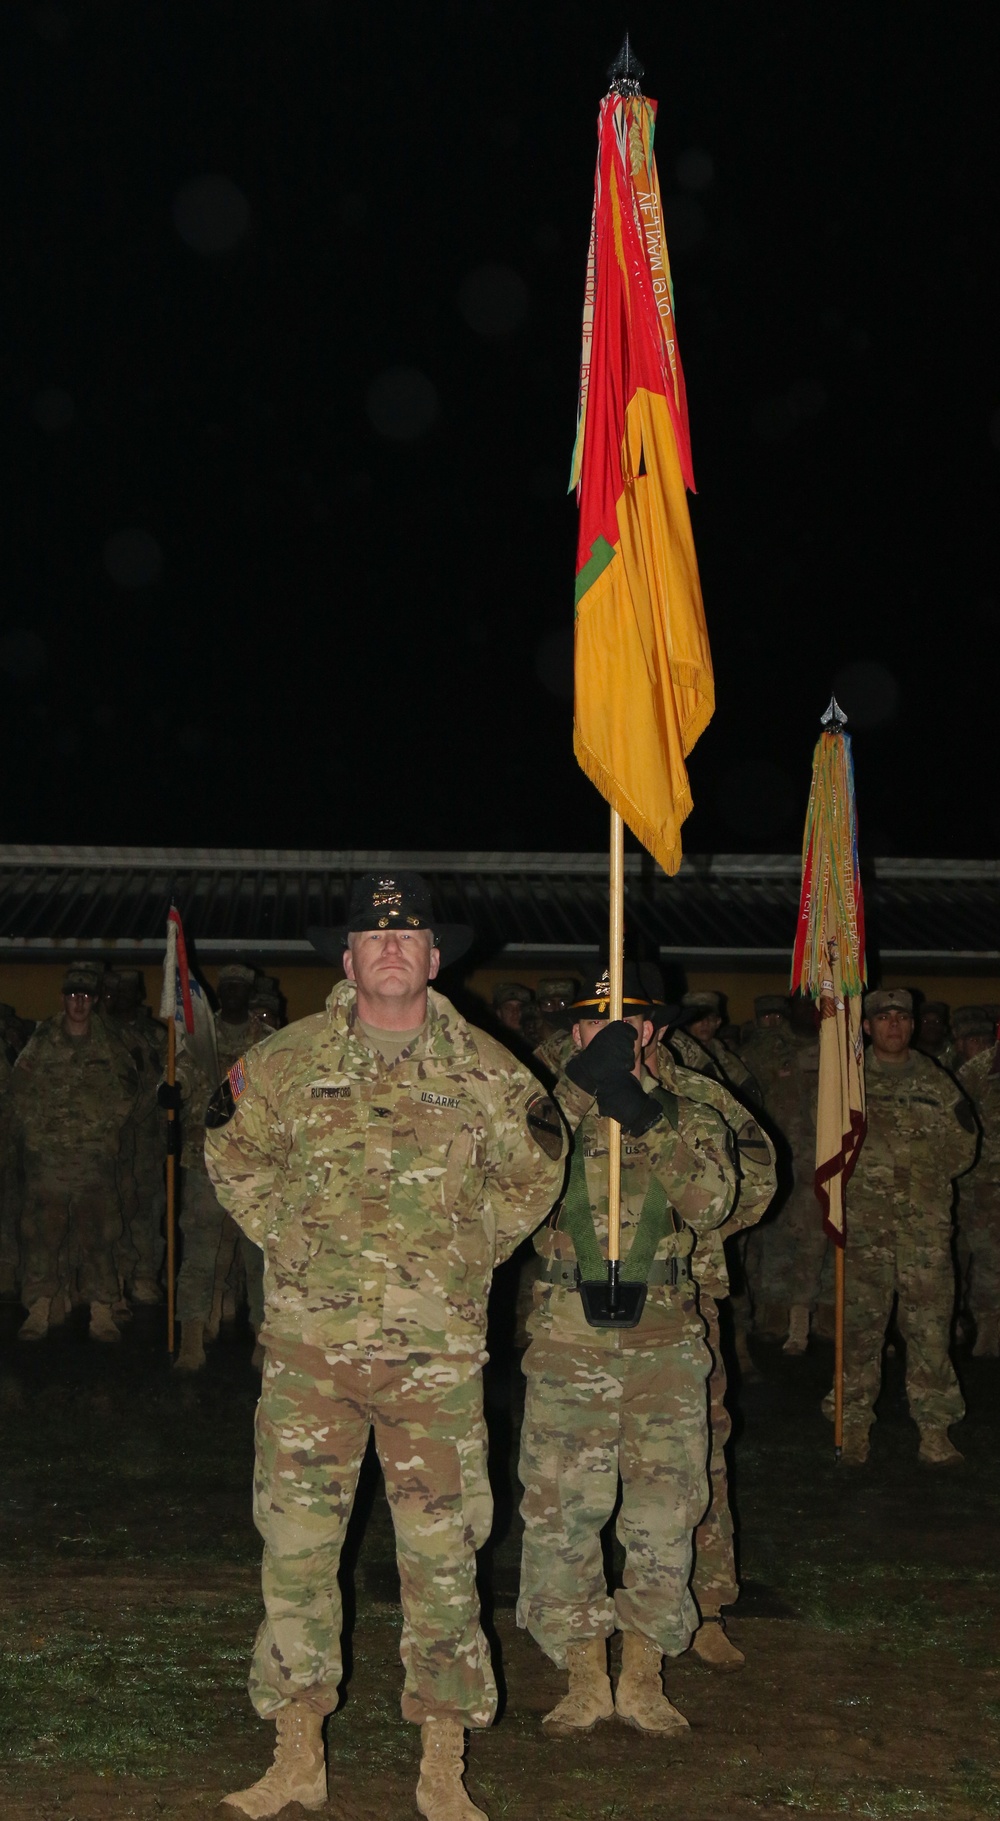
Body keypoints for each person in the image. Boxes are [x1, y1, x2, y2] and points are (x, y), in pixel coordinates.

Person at [205, 872, 565, 1821]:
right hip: (310, 1355)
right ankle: (296, 1755)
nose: (392, 947)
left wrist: (466, 1246)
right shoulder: (282, 1062)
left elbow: (537, 1169)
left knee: (443, 1559)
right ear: (349, 958)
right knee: (294, 1553)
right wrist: (292, 1230)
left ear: (437, 959)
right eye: (373, 935)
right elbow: (229, 1151)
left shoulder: (492, 1072)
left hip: (433, 1363)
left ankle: (441, 1765)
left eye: (410, 937)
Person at [516, 967, 738, 1736]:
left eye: (630, 1023)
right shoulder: (542, 1112)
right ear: (573, 1033)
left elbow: (713, 1200)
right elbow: (505, 1188)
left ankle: (644, 1670)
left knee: (664, 1508)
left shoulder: (691, 1112)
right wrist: (580, 1094)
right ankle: (582, 1670)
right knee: (561, 1507)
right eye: (593, 1023)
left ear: (654, 1033)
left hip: (665, 1341)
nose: (612, 1035)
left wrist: (640, 1112)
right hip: (569, 1337)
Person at [650, 1025, 776, 1668]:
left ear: (656, 1028)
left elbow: (755, 1183)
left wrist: (699, 1231)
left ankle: (707, 1605)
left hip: (683, 1298)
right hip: (580, 1307)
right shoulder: (564, 1091)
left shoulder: (703, 1099)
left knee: (698, 1453)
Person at [832, 988, 977, 1465]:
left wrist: (920, 1176)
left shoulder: (937, 1084)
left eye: (902, 1017)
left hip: (922, 1232)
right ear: (867, 1027)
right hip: (865, 1230)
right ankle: (851, 1425)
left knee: (930, 1332)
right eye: (883, 1018)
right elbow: (828, 1154)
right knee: (858, 1331)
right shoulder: (848, 1086)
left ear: (912, 1026)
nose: (893, 1025)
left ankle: (934, 1430)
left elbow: (963, 1149)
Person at [13, 962, 137, 1342]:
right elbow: (19, 1088)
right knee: (42, 1238)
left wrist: (103, 1132)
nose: (78, 1004)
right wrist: (36, 1135)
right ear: (62, 999)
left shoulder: (109, 1043)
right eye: (72, 996)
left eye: (85, 996)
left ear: (95, 1000)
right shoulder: (42, 1039)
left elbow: (129, 1090)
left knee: (99, 1237)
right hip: (48, 1161)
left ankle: (102, 1312)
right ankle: (39, 1308)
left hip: (92, 1162)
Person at [172, 963, 266, 1371]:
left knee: (259, 1256)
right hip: (203, 1160)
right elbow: (180, 1082)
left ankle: (265, 1337)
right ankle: (192, 1335)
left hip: (253, 1167)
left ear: (247, 995)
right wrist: (170, 1092)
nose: (231, 996)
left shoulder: (266, 1043)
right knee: (199, 1252)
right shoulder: (198, 1042)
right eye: (225, 988)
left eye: (239, 989)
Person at [739, 994, 823, 1351]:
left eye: (817, 1004)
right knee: (774, 1239)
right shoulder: (767, 1049)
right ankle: (773, 1316)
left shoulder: (837, 1049)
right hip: (778, 1158)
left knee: (817, 1240)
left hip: (821, 1161)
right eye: (803, 1004)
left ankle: (807, 1317)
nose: (810, 1011)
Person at [102, 967, 167, 1304]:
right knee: (107, 1210)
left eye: (126, 990)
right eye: (113, 990)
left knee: (145, 1209)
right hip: (105, 1140)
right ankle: (109, 1280)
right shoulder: (97, 1034)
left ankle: (143, 1275)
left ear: (138, 994)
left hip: (144, 1139)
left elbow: (165, 1083)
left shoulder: (155, 1036)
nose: (118, 997)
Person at [957, 1017, 1000, 1355]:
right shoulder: (971, 1074)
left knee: (992, 1260)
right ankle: (961, 1322)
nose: (979, 1044)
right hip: (969, 1185)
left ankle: (989, 1328)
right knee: (962, 1256)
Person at [665, 991, 760, 1105]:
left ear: (718, 1022)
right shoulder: (673, 1055)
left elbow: (751, 1096)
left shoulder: (728, 1060)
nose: (705, 1023)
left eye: (710, 1018)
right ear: (686, 1022)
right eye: (698, 1019)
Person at [914, 1000, 958, 1072]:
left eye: (936, 1021)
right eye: (925, 1021)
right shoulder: (907, 1055)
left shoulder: (956, 1054)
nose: (931, 1026)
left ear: (944, 1028)